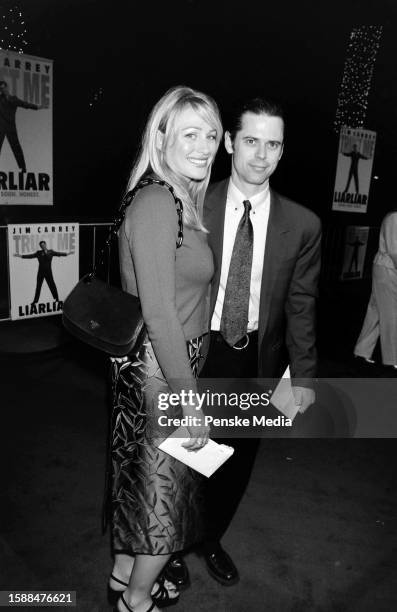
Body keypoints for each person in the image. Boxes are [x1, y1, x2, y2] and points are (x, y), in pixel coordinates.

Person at [172, 96, 321, 587]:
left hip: (257, 356)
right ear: (231, 142)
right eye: (251, 141)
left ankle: (209, 537)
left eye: (272, 144)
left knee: (234, 461)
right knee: (180, 455)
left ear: (282, 152)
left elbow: (301, 304)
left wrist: (303, 376)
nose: (261, 155)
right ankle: (169, 545)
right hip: (197, 350)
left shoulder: (303, 225)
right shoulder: (191, 203)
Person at [108, 86, 222, 612]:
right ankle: (135, 599)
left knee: (143, 480)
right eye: (190, 134)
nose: (204, 146)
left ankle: (123, 573)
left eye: (211, 134)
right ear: (161, 137)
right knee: (165, 500)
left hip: (161, 365)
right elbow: (159, 314)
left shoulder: (175, 197)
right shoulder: (158, 201)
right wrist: (189, 399)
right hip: (163, 369)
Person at [354, 211, 397, 368]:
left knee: (376, 310)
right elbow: (394, 251)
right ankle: (394, 359)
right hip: (388, 268)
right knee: (391, 312)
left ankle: (362, 350)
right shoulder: (394, 217)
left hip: (388, 268)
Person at [0, 80, 47, 172]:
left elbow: (25, 104)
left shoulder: (14, 99)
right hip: (0, 127)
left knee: (16, 146)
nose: (3, 90)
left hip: (10, 126)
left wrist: (38, 107)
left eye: (4, 87)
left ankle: (23, 167)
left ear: (7, 87)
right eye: (1, 89)